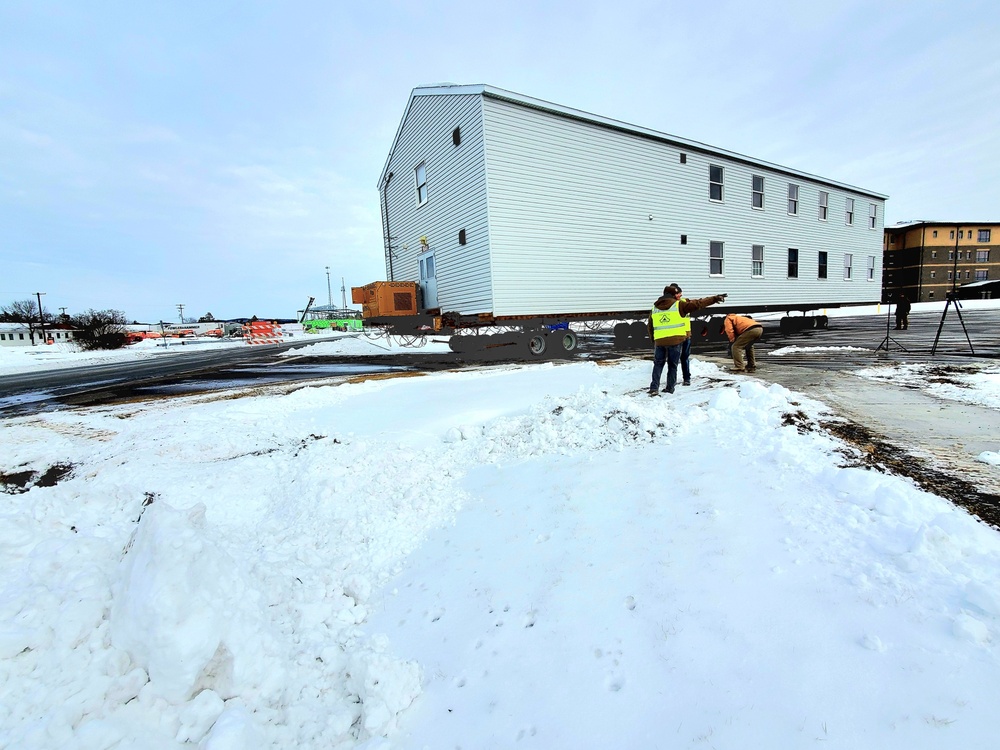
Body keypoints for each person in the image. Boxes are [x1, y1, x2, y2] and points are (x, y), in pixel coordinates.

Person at [648, 284, 727, 395]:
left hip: (660, 341)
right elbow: (698, 304)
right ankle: (669, 388)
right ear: (673, 295)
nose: (680, 295)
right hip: (675, 341)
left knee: (658, 364)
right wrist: (714, 299)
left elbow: (650, 326)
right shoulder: (679, 305)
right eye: (678, 293)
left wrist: (654, 340)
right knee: (672, 365)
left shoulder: (655, 307)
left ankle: (654, 388)